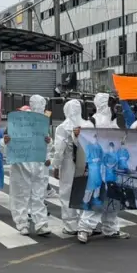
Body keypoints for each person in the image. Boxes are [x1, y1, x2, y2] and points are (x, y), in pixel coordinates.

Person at [76, 93, 130, 243]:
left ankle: (111, 228)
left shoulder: (113, 123)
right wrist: (77, 135)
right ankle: (84, 228)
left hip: (112, 167)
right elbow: (83, 143)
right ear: (104, 104)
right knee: (97, 198)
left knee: (113, 199)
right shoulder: (91, 123)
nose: (114, 107)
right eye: (111, 104)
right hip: (98, 167)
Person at [6, 97, 52, 236]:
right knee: (21, 195)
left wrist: (48, 150)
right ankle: (22, 223)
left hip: (38, 165)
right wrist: (6, 142)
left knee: (39, 196)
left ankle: (41, 224)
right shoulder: (17, 125)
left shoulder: (42, 126)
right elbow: (6, 144)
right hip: (21, 165)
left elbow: (47, 144)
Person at [52, 99, 90, 235]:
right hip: (86, 163)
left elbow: (59, 150)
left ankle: (71, 225)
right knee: (85, 192)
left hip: (68, 164)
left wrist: (56, 166)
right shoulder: (88, 124)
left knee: (67, 193)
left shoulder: (62, 128)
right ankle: (85, 224)